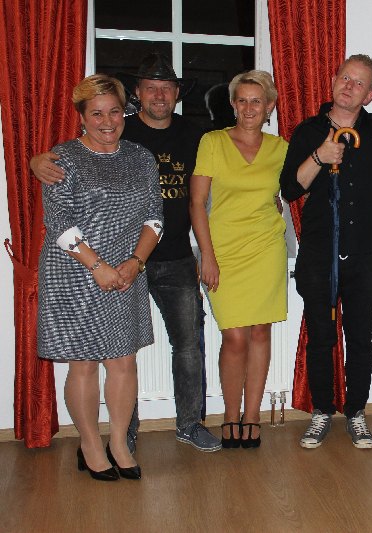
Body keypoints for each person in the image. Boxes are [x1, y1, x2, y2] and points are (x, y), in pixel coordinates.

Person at [31, 53, 222, 453]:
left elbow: (207, 190)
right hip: (109, 263)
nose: (159, 95)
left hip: (170, 256)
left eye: (167, 88)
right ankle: (125, 435)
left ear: (177, 94)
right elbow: (68, 178)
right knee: (112, 357)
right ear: (137, 94)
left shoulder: (195, 135)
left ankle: (189, 423)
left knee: (187, 344)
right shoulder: (118, 128)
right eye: (151, 88)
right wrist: (36, 161)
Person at [37, 74, 163, 481]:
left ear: (124, 113)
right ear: (82, 117)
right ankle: (90, 444)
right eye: (96, 113)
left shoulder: (141, 158)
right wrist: (98, 267)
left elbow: (154, 217)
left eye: (114, 112)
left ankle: (120, 443)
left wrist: (135, 263)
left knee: (124, 361)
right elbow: (60, 223)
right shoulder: (62, 158)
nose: (107, 121)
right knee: (85, 363)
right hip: (76, 272)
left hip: (126, 271)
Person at [280, 54, 372, 449]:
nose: (349, 86)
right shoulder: (308, 130)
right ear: (333, 80)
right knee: (321, 337)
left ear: (370, 94)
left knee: (360, 337)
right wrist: (319, 156)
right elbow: (289, 189)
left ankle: (357, 412)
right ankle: (321, 411)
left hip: (364, 255)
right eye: (345, 77)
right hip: (319, 255)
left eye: (359, 82)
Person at [190, 70, 288, 449]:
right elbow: (197, 203)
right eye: (242, 100)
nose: (249, 108)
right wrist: (207, 256)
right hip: (223, 251)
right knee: (233, 338)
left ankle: (252, 416)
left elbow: (295, 188)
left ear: (269, 107)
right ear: (233, 105)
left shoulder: (281, 148)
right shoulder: (213, 142)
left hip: (266, 249)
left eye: (256, 101)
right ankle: (230, 415)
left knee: (261, 332)